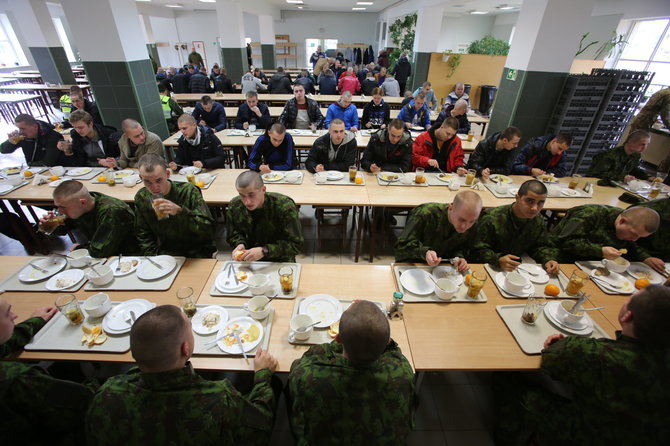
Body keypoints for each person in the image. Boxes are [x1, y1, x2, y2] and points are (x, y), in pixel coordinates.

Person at [495, 285, 670, 445]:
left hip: (585, 435)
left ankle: (505, 439)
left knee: (507, 379)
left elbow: (551, 362)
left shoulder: (599, 354)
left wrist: (561, 346)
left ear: (627, 316)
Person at [87, 304, 279, 446]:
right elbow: (260, 424)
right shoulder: (218, 397)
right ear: (185, 349)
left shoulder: (106, 395)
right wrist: (262, 376)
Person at [288, 299, 415, 445]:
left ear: (338, 338)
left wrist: (351, 328)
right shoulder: (403, 372)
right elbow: (393, 350)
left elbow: (302, 362)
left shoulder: (307, 375)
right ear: (386, 341)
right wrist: (367, 325)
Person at [0, 297, 94, 445]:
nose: (15, 316)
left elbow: (5, 346)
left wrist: (35, 321)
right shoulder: (17, 379)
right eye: (7, 314)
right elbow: (84, 401)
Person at [134, 153, 216, 258]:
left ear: (167, 174)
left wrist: (180, 212)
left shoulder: (188, 191)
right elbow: (143, 233)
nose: (154, 187)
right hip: (168, 252)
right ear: (141, 177)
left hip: (197, 250)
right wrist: (153, 257)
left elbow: (208, 229)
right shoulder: (142, 197)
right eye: (147, 182)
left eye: (159, 180)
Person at [472, 180, 560, 273]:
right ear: (517, 198)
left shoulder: (537, 220)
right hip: (489, 268)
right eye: (529, 201)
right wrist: (496, 260)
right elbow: (476, 250)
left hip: (518, 268)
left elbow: (539, 246)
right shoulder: (492, 218)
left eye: (540, 202)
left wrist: (548, 259)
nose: (535, 208)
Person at [551, 205, 663, 272]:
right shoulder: (589, 214)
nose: (634, 239)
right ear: (622, 221)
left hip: (593, 266)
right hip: (561, 260)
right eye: (634, 234)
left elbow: (630, 246)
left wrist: (645, 258)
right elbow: (566, 243)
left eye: (639, 236)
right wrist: (600, 250)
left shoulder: (628, 228)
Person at [47, 180, 139, 257]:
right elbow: (61, 231)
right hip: (108, 253)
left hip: (126, 255)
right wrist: (50, 225)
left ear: (82, 202)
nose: (60, 211)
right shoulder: (78, 206)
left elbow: (100, 251)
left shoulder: (112, 211)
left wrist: (77, 248)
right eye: (57, 206)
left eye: (63, 207)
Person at [226, 170, 303, 262]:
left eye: (251, 195)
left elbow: (295, 245)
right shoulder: (235, 206)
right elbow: (233, 234)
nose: (247, 202)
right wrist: (240, 244)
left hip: (280, 260)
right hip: (249, 259)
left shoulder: (284, 206)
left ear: (263, 190)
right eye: (242, 195)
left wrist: (265, 250)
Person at [395, 190, 482, 269]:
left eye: (471, 221)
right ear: (451, 208)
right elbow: (401, 248)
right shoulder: (425, 214)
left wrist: (458, 258)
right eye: (461, 220)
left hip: (442, 268)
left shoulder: (472, 222)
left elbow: (460, 247)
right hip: (414, 264)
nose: (464, 227)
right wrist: (425, 253)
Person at [586, 130, 653, 185]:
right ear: (630, 142)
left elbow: (634, 169)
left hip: (616, 185)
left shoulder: (635, 155)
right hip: (596, 185)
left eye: (647, 144)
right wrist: (621, 177)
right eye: (642, 144)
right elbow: (597, 174)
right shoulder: (608, 155)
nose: (645, 147)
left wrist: (648, 177)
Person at [1, 114, 66, 166]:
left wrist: (29, 165)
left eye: (22, 129)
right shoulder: (23, 137)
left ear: (35, 126)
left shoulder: (52, 136)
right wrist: (10, 141)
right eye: (18, 128)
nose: (20, 132)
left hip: (55, 170)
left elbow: (48, 163)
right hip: (35, 171)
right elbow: (3, 150)